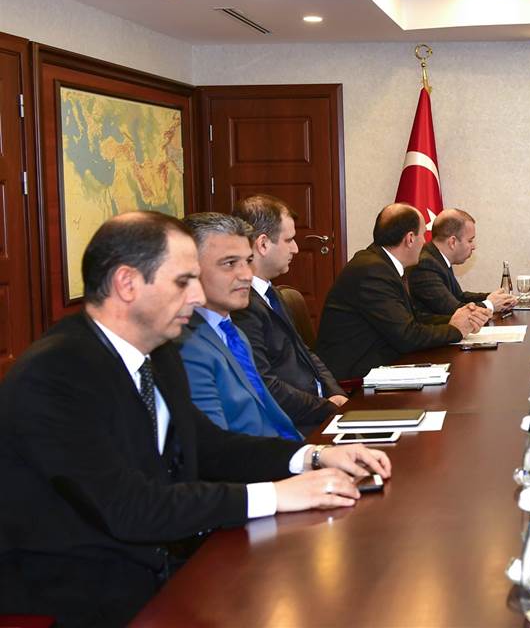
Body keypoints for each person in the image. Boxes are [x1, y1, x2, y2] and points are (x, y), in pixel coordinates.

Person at [0, 212, 390, 626]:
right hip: (78, 598)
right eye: (183, 281)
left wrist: (312, 457)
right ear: (127, 283)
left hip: (161, 567)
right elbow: (129, 507)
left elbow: (207, 445)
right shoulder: (56, 373)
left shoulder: (159, 351)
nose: (198, 296)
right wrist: (275, 496)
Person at [316, 203, 489, 380]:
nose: (425, 242)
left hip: (377, 362)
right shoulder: (372, 271)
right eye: (423, 235)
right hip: (354, 375)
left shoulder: (381, 264)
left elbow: (411, 319)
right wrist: (455, 329)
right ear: (410, 239)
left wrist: (457, 319)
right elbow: (407, 336)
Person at [177, 213, 302, 439]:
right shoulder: (186, 346)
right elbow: (215, 445)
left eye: (248, 261)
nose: (246, 275)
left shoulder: (235, 334)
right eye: (230, 263)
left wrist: (313, 451)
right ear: (190, 270)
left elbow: (269, 417)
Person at [231, 194, 347, 434]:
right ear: (263, 244)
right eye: (289, 240)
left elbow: (305, 351)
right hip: (294, 426)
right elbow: (265, 385)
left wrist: (336, 393)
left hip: (320, 413)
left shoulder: (272, 293)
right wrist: (326, 407)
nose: (296, 249)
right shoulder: (243, 306)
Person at [408, 208, 517, 319]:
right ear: (452, 242)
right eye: (470, 240)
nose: (474, 246)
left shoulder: (437, 258)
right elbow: (453, 310)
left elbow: (459, 297)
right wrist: (490, 304)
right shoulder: (425, 265)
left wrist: (494, 298)